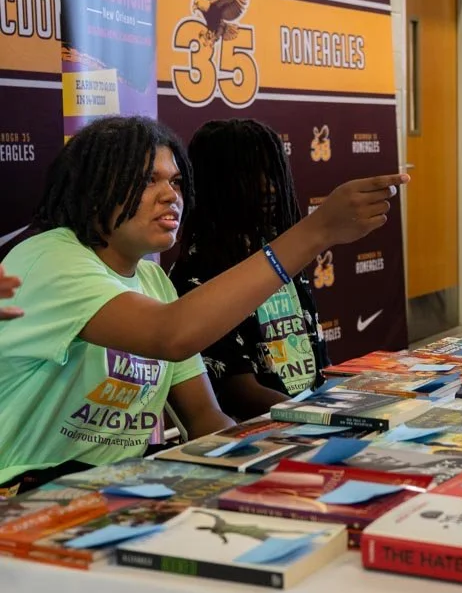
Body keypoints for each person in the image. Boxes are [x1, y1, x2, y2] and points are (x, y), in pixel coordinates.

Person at [0, 116, 407, 494]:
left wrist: (278, 469)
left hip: (116, 492)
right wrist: (316, 232)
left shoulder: (154, 280)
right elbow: (169, 334)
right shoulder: (49, 257)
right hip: (26, 494)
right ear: (93, 191)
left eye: (176, 182)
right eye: (147, 180)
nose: (170, 196)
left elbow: (205, 418)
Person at [171, 119, 329, 421]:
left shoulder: (282, 251)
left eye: (273, 172)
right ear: (215, 183)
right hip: (260, 432)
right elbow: (236, 391)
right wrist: (315, 417)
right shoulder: (198, 271)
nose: (268, 186)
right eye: (248, 175)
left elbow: (317, 361)